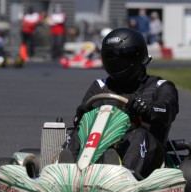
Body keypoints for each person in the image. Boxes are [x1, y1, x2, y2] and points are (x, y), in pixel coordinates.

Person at [62, 28, 179, 179]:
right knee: (79, 129)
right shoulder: (100, 85)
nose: (116, 64)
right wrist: (83, 116)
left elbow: (166, 110)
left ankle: (122, 174)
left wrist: (146, 109)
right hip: (100, 146)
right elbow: (82, 113)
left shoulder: (160, 86)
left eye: (121, 59)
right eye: (111, 58)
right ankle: (66, 171)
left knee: (139, 134)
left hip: (147, 153)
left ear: (136, 57)